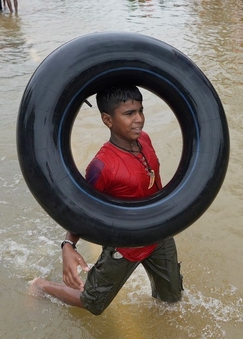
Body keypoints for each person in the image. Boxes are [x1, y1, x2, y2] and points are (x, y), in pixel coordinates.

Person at [30, 85, 183, 316]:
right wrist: (68, 245)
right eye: (129, 114)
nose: (139, 119)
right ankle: (41, 285)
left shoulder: (146, 140)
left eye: (141, 111)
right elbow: (80, 209)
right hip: (125, 245)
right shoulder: (101, 167)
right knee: (93, 303)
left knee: (171, 299)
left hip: (158, 235)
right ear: (107, 119)